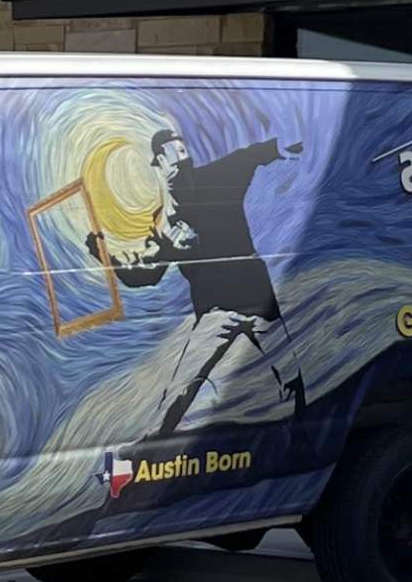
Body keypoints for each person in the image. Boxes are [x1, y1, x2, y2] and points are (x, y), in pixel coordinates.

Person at [103, 127, 300, 430]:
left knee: (290, 375)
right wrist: (105, 254)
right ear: (158, 164)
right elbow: (145, 276)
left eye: (179, 152)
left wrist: (287, 145)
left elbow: (255, 154)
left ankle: (304, 438)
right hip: (215, 316)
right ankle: (151, 451)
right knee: (181, 389)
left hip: (259, 305)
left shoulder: (218, 176)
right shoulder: (167, 221)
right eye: (169, 156)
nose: (176, 161)